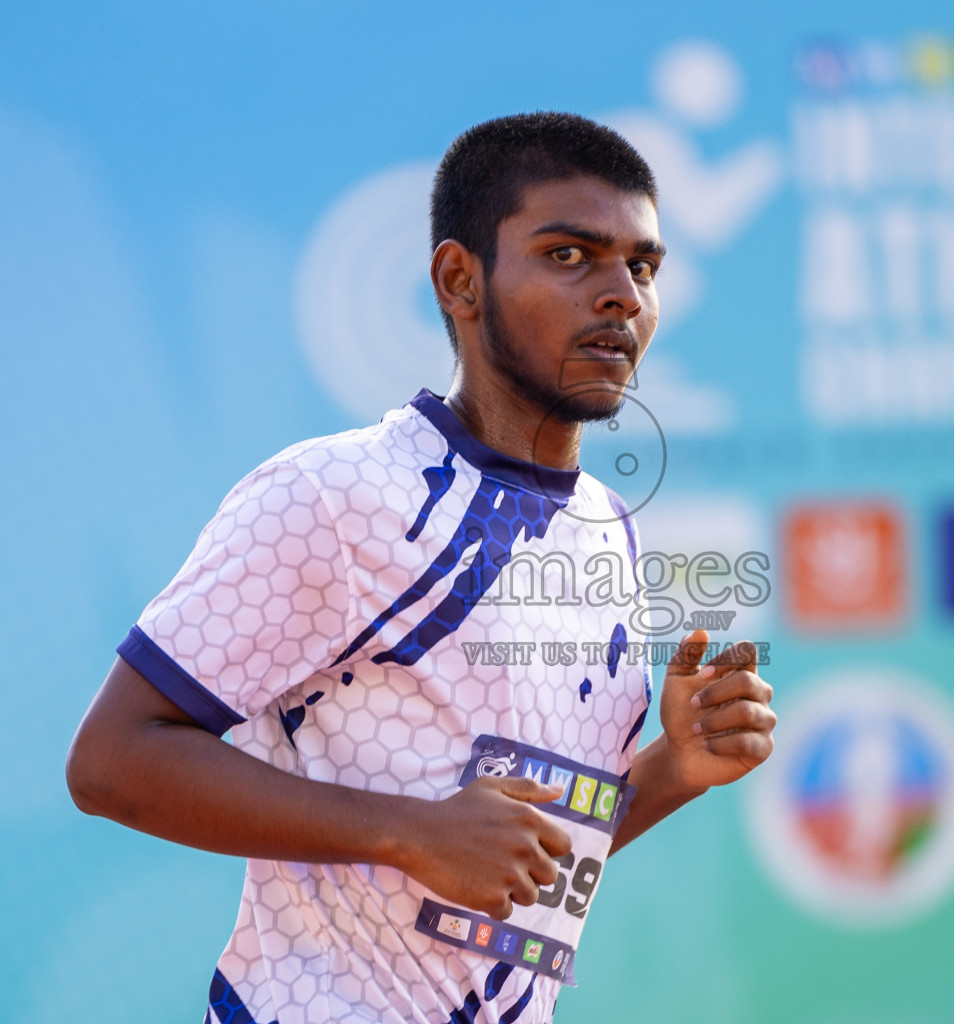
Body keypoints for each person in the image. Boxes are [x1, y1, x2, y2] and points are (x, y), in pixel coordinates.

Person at [66, 111, 777, 1024]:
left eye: (641, 266)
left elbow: (529, 860)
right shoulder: (333, 493)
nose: (621, 296)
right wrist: (410, 835)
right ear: (459, 280)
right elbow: (113, 762)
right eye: (570, 255)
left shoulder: (607, 528)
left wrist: (675, 767)